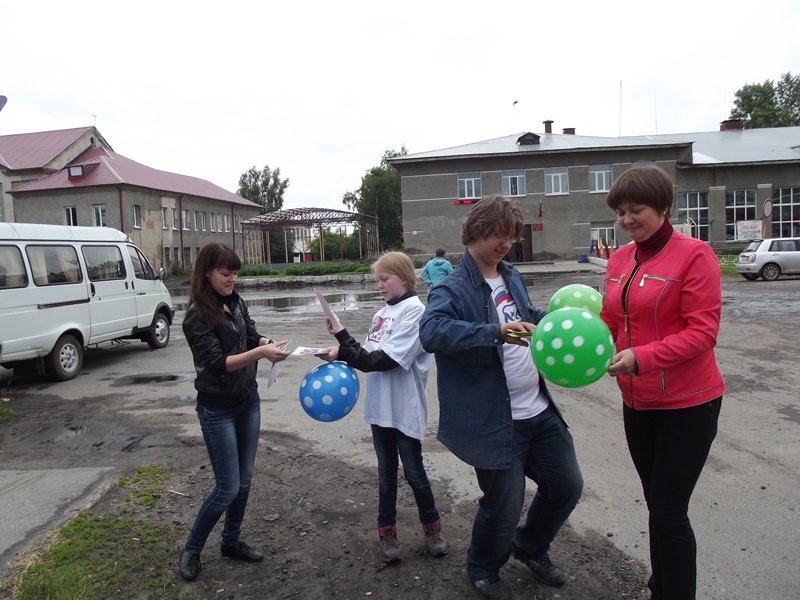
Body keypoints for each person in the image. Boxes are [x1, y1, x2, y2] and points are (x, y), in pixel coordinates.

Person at [418, 195, 583, 600]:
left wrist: (558, 323)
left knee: (567, 485)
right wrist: (493, 333)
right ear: (475, 232)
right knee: (504, 504)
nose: (504, 242)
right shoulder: (451, 286)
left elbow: (525, 314)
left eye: (510, 235)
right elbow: (432, 331)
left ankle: (529, 546)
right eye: (497, 233)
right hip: (496, 418)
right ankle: (482, 568)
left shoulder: (510, 274)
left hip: (538, 409)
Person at [601, 165, 725, 600]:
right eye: (621, 212)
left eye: (637, 210)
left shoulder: (694, 255)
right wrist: (581, 344)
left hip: (688, 404)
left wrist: (641, 358)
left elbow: (702, 333)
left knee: (669, 510)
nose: (627, 219)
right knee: (657, 504)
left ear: (664, 207)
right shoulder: (619, 259)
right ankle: (663, 581)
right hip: (638, 403)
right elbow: (610, 319)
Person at [316, 251, 448, 564]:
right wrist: (341, 335)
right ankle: (386, 531)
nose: (379, 285)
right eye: (377, 280)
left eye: (384, 279)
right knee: (386, 474)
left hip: (404, 409)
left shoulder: (416, 313)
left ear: (404, 277)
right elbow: (365, 354)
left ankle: (433, 528)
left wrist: (341, 353)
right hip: (380, 408)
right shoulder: (380, 315)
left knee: (414, 473)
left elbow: (385, 361)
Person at [179, 241, 289, 582]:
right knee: (226, 487)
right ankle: (192, 549)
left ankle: (231, 541)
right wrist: (261, 355)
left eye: (236, 273)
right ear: (208, 272)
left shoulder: (237, 302)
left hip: (247, 401)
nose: (232, 279)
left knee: (244, 481)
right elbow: (217, 363)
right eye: (226, 273)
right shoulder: (197, 315)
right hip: (217, 410)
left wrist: (265, 343)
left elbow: (252, 335)